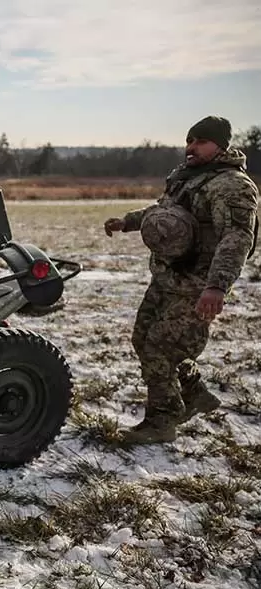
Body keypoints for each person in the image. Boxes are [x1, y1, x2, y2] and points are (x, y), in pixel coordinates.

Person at [104, 115, 259, 444]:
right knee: (143, 338)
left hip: (196, 286)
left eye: (201, 141)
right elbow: (164, 211)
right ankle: (194, 393)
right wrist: (128, 222)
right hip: (165, 279)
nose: (191, 146)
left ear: (221, 145)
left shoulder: (231, 185)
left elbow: (237, 238)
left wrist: (216, 287)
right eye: (190, 140)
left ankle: (162, 421)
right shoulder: (188, 177)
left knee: (160, 346)